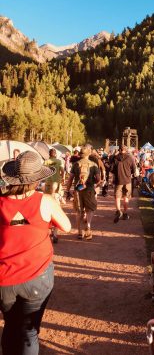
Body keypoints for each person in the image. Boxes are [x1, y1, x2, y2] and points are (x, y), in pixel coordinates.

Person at [1, 152, 73, 355]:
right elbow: (66, 226)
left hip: (4, 278)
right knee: (29, 332)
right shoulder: (45, 201)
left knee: (10, 326)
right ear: (38, 178)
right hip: (36, 276)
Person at [71, 144, 102, 240]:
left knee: (79, 211)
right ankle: (88, 226)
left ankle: (79, 232)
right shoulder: (93, 165)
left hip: (78, 190)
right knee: (89, 210)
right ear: (89, 154)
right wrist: (97, 184)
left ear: (80, 154)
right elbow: (98, 179)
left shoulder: (76, 164)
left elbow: (70, 179)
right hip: (89, 190)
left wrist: (68, 190)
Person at [43, 148, 65, 243]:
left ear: (49, 154)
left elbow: (43, 172)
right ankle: (55, 232)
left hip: (48, 184)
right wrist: (63, 178)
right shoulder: (59, 161)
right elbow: (63, 171)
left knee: (47, 206)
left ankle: (50, 230)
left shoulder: (46, 161)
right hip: (57, 185)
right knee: (56, 206)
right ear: (55, 154)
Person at [111, 146, 137, 222]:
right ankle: (125, 213)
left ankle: (118, 211)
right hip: (127, 180)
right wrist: (129, 173)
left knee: (117, 197)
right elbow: (134, 169)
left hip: (118, 180)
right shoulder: (130, 158)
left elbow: (112, 169)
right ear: (126, 150)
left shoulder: (115, 158)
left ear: (119, 150)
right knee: (126, 197)